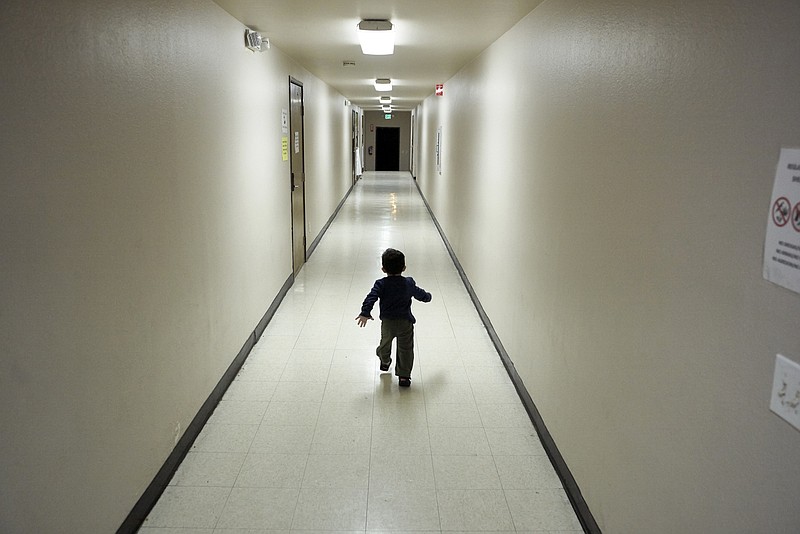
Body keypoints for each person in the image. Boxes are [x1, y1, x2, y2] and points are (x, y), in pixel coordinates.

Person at [356, 248, 432, 387]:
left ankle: (385, 360)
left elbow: (371, 297)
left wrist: (365, 312)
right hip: (405, 322)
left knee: (384, 344)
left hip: (388, 323)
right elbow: (419, 294)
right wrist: (427, 297)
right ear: (404, 267)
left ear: (383, 269)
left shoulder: (381, 284)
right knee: (406, 350)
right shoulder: (408, 283)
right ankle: (404, 375)